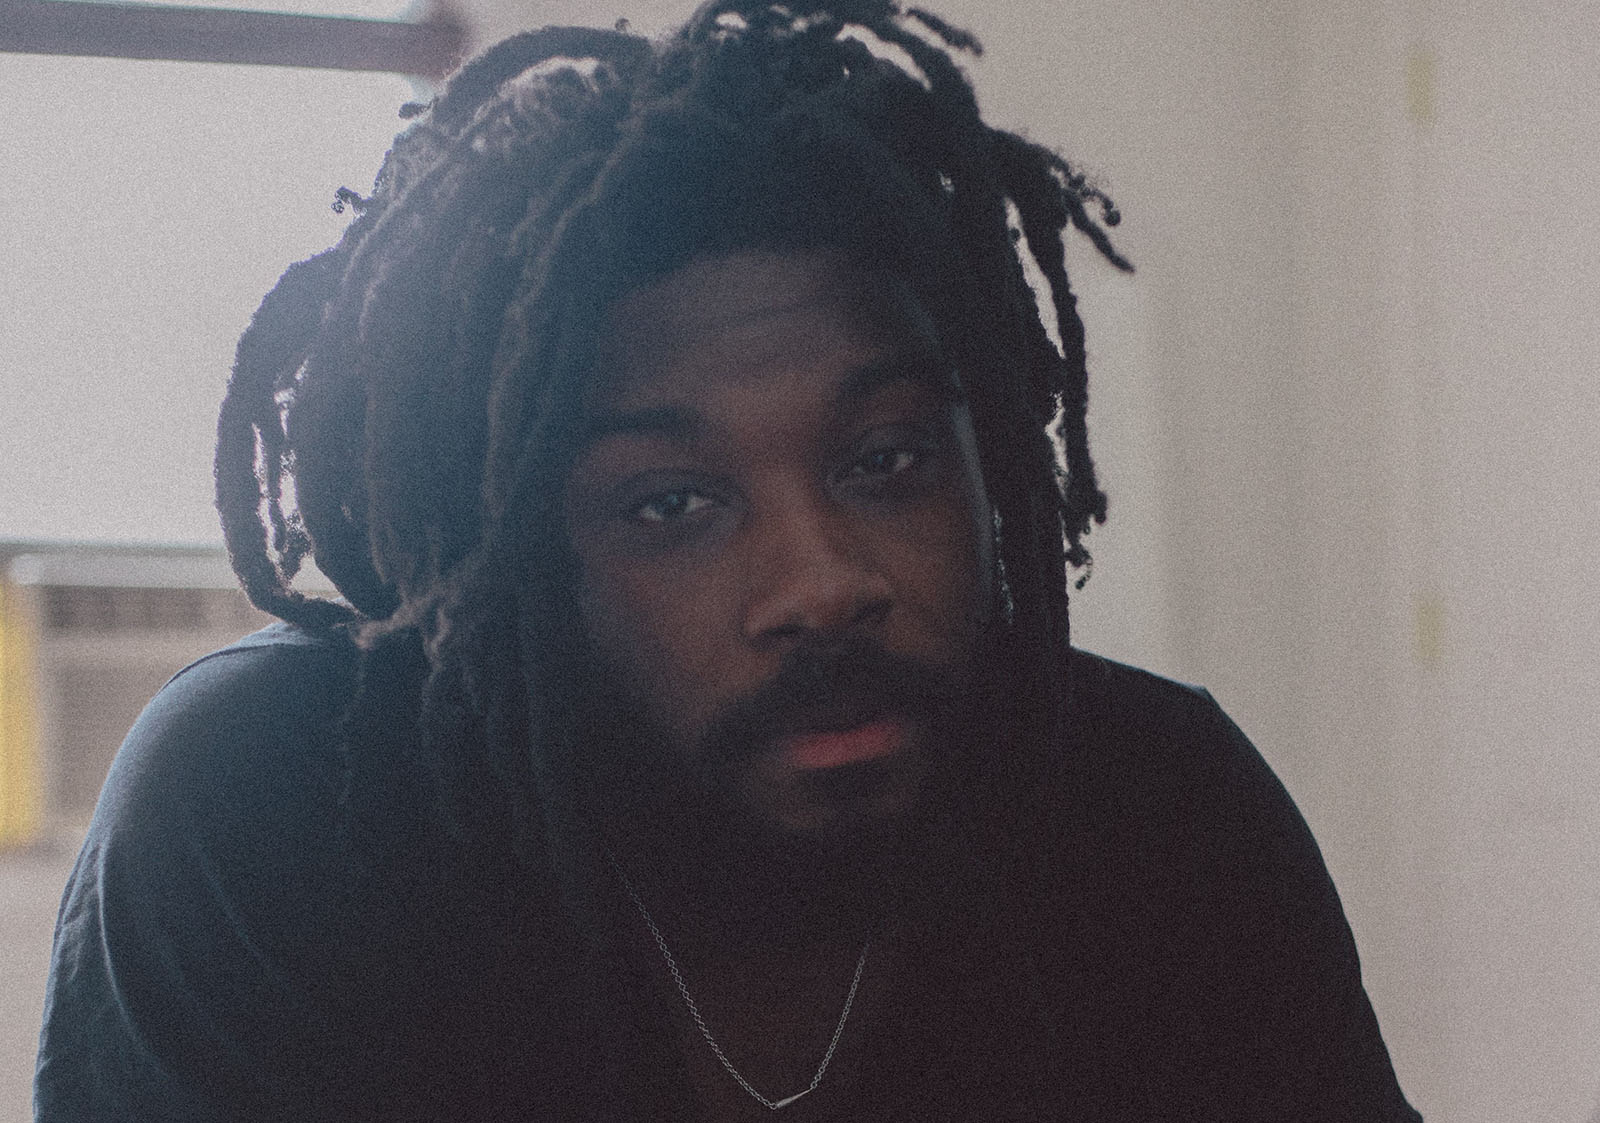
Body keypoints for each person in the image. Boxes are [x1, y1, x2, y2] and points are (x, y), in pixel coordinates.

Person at [35, 3, 1422, 1120]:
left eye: (886, 460)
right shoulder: (287, 812)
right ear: (518, 563)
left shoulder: (1161, 818)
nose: (823, 581)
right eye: (671, 505)